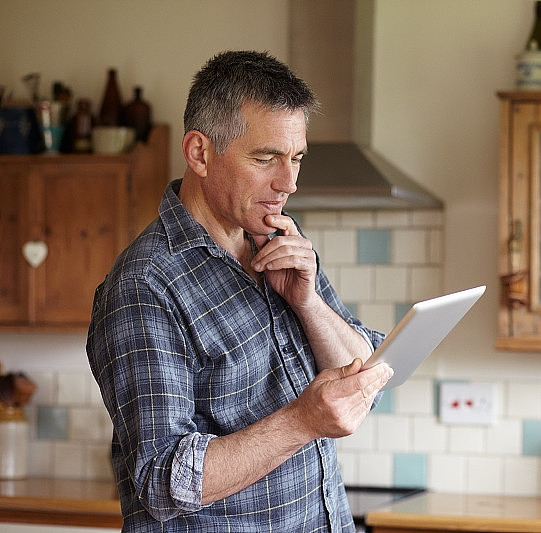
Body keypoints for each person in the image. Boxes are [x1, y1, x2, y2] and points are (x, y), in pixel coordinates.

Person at [87, 50, 393, 532]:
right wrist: (303, 422)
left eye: (296, 158)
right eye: (266, 158)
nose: (288, 182)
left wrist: (309, 303)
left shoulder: (278, 239)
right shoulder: (145, 285)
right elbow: (162, 481)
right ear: (199, 153)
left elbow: (364, 378)